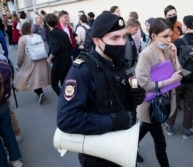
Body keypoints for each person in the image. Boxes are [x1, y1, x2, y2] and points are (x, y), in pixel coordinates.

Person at [57, 11, 145, 167]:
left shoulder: (121, 61)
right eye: (114, 38)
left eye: (123, 36)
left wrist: (136, 90)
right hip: (98, 155)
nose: (121, 43)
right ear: (97, 40)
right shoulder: (82, 71)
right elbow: (67, 119)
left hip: (124, 143)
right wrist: (112, 121)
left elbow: (131, 77)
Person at [135, 17, 182, 166]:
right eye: (165, 36)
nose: (170, 39)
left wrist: (174, 56)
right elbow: (143, 84)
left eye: (171, 35)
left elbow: (178, 71)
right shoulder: (146, 55)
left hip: (163, 100)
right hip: (151, 104)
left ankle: (131, 146)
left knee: (146, 126)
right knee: (161, 143)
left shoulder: (167, 50)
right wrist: (169, 81)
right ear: (154, 35)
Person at [165, 15, 193, 139]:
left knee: (174, 101)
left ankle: (169, 127)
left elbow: (170, 59)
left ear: (184, 25)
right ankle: (187, 130)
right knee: (189, 104)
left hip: (179, 76)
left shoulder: (178, 42)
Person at [15, 22, 51, 104]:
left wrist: (18, 64)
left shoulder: (22, 39)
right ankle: (40, 91)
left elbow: (21, 54)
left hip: (30, 60)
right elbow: (44, 46)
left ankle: (39, 92)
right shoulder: (38, 36)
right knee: (38, 76)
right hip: (41, 58)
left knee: (30, 76)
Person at [0, 53, 23, 167]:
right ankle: (16, 159)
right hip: (3, 102)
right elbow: (11, 74)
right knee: (8, 132)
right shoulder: (2, 61)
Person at [46, 14, 73, 96]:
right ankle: (69, 98)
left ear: (47, 23)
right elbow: (70, 47)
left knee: (54, 83)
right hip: (67, 62)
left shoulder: (52, 33)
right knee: (65, 83)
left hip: (59, 63)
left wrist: (50, 58)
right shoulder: (63, 33)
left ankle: (63, 99)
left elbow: (56, 48)